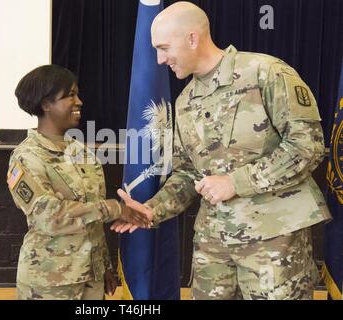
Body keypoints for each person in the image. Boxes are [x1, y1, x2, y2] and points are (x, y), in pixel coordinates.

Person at [112, 2, 331, 300]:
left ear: (192, 38)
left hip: (274, 244)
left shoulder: (265, 72)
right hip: (213, 248)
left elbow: (307, 146)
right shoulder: (185, 101)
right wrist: (153, 209)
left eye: (164, 48)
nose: (160, 59)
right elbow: (189, 172)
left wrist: (235, 183)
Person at [7, 65, 151, 300]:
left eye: (77, 93)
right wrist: (115, 208)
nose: (79, 101)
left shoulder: (81, 152)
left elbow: (92, 219)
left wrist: (103, 265)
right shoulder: (26, 157)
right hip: (50, 284)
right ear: (45, 104)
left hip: (90, 281)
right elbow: (48, 216)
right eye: (70, 95)